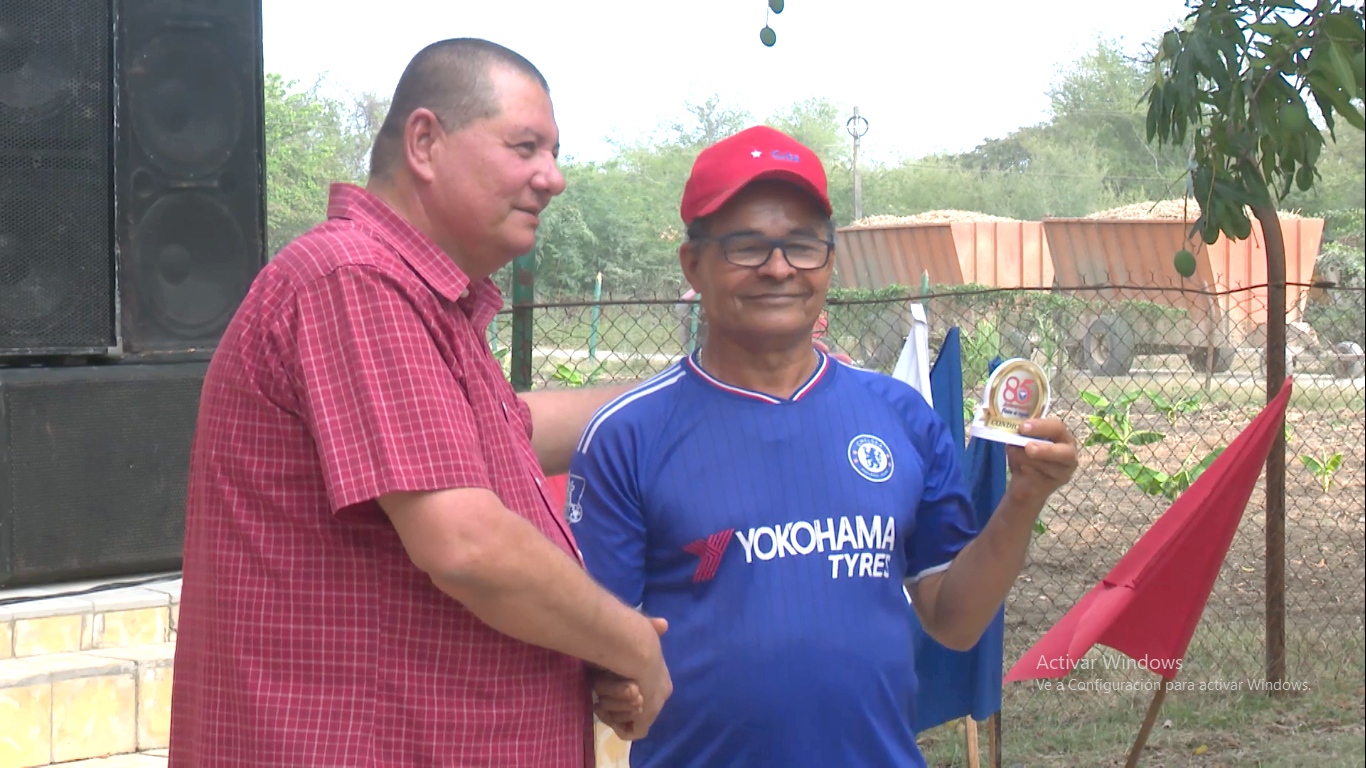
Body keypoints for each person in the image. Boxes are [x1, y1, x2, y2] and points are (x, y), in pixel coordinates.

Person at [168, 38, 672, 767]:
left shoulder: (425, 299)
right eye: (526, 146)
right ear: (426, 142)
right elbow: (466, 546)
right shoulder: (354, 280)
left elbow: (516, 433)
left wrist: (689, 395)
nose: (554, 179)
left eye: (555, 151)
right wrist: (631, 646)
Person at [569, 126, 1079, 767]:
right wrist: (610, 680)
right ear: (693, 265)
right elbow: (596, 644)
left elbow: (954, 620)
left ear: (830, 262)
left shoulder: (901, 416)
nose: (778, 267)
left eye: (803, 246)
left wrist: (1024, 499)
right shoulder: (627, 436)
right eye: (747, 246)